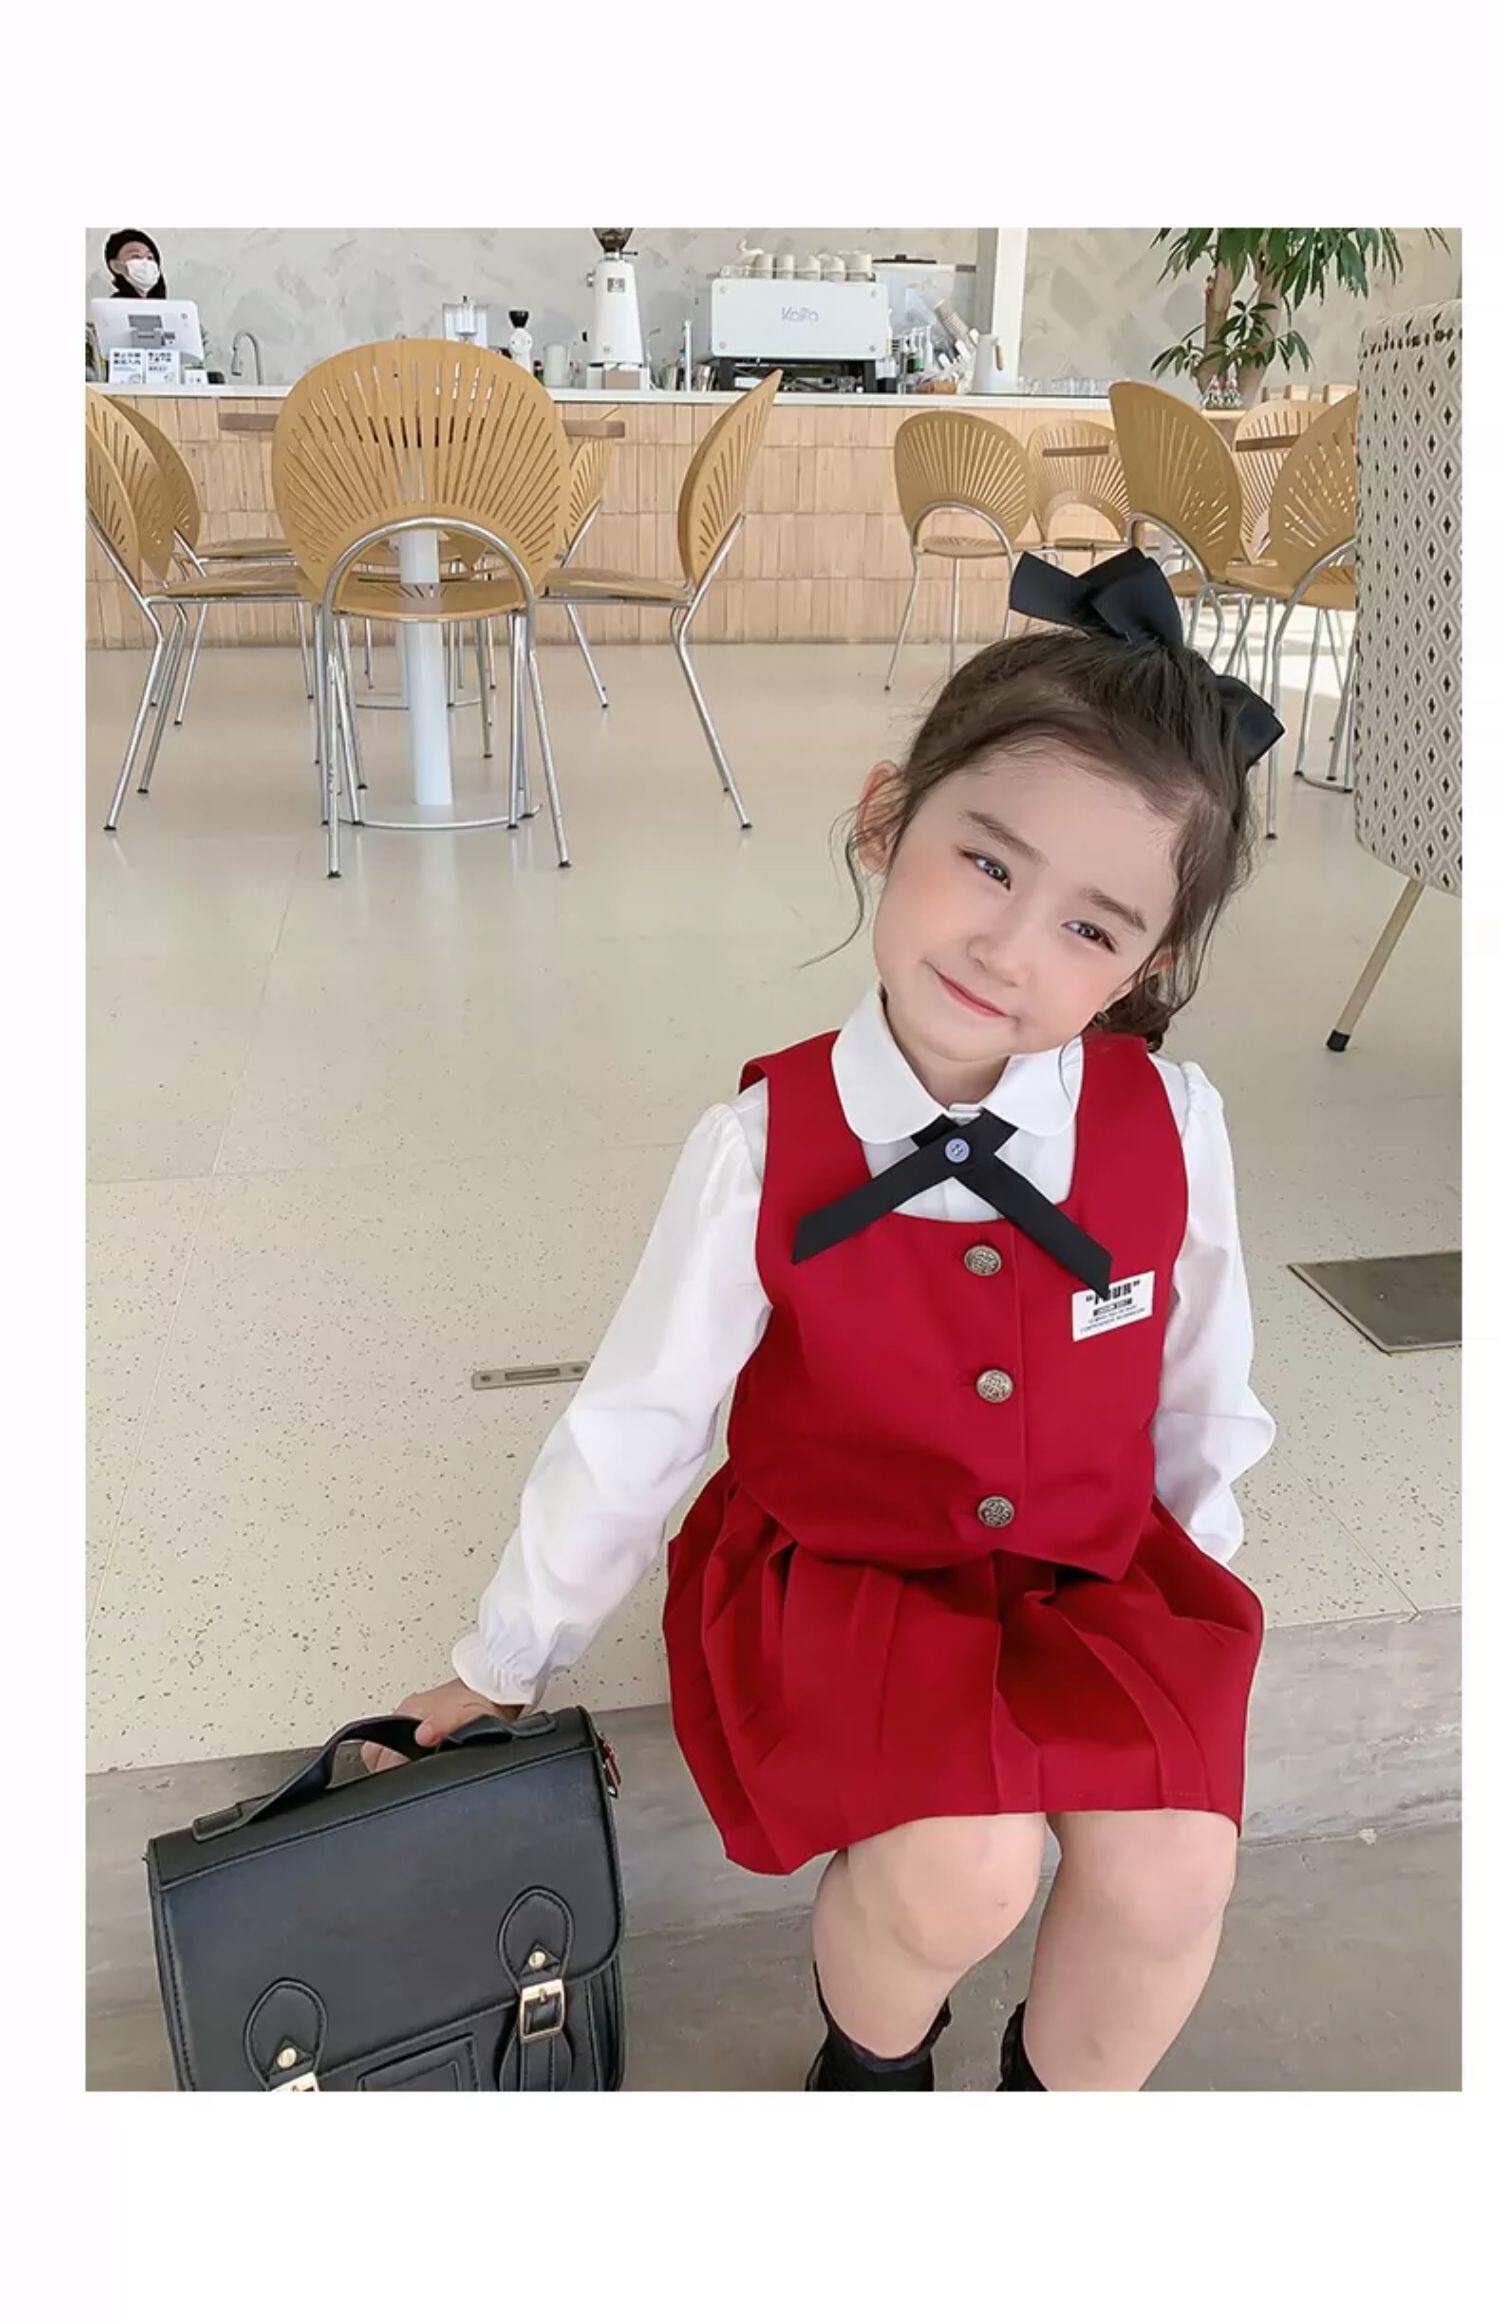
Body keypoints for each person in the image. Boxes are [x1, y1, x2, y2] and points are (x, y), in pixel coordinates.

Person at [363, 545, 1281, 2094]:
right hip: (850, 1576)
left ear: (1152, 959)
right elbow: (643, 1420)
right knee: (965, 1859)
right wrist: (507, 1655)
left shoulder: (1173, 1124)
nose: (1009, 949)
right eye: (988, 863)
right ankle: (871, 2075)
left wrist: (1176, 1613)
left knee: (1176, 1864)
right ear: (883, 818)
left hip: (1089, 1565)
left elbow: (1204, 1392)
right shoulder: (762, 1146)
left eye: (1093, 927)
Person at [103, 229, 167, 299]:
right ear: (115, 266)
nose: (145, 263)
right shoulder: (114, 304)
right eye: (135, 256)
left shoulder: (164, 303)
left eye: (150, 257)